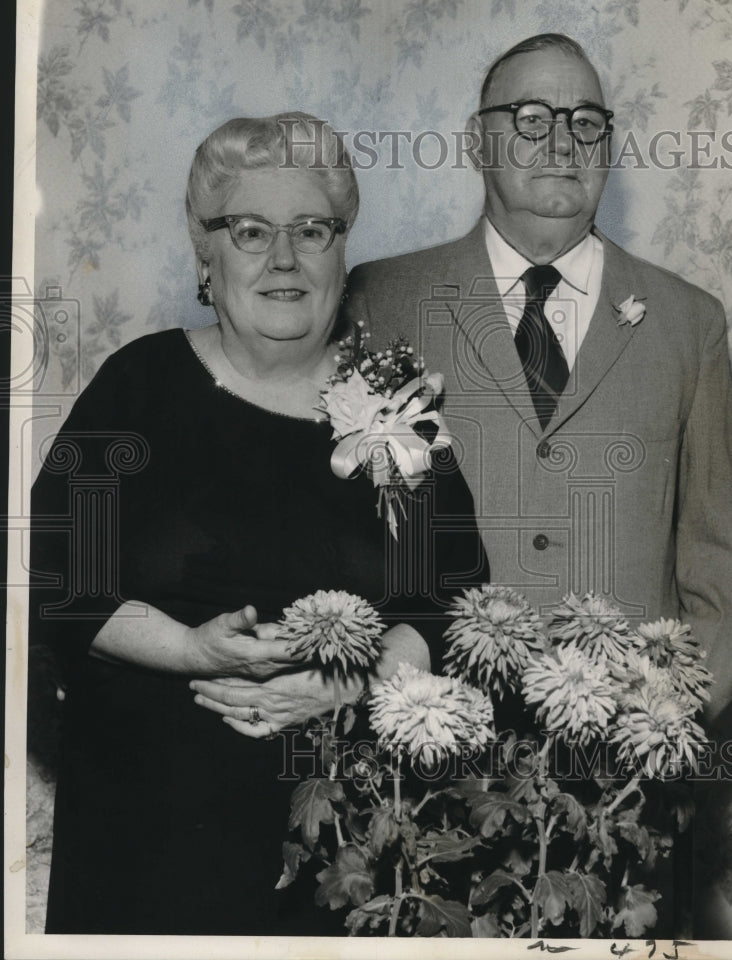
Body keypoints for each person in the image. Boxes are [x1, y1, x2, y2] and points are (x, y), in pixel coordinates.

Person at [29, 112, 486, 935]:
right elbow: (57, 579)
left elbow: (452, 601)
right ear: (205, 254)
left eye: (311, 229)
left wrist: (352, 679)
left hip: (346, 846)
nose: (284, 258)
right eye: (250, 231)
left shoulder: (398, 405)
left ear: (343, 250)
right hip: (147, 840)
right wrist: (189, 648)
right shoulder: (139, 385)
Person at [346, 34, 732, 719]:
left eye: (586, 124)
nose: (563, 144)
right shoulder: (381, 299)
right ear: (479, 143)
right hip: (424, 754)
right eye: (532, 120)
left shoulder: (690, 322)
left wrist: (667, 727)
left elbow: (720, 567)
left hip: (624, 769)